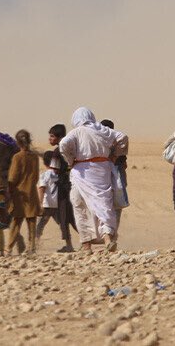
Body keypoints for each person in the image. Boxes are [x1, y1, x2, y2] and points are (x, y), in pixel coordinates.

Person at [60, 107, 129, 252]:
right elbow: (123, 138)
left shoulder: (77, 132)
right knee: (104, 204)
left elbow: (63, 144)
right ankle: (107, 238)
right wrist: (114, 156)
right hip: (102, 170)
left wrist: (70, 160)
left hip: (81, 173)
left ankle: (86, 245)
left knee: (80, 206)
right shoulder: (102, 129)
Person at [6, 130, 40, 255]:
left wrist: (10, 191)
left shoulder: (17, 157)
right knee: (31, 221)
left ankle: (9, 248)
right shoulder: (35, 157)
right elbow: (36, 176)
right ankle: (32, 247)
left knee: (16, 222)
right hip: (31, 192)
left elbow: (13, 177)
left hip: (19, 194)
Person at [100, 119, 129, 228]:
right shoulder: (119, 142)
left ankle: (108, 231)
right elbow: (124, 164)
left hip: (108, 179)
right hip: (118, 180)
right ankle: (113, 231)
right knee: (117, 206)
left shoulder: (100, 144)